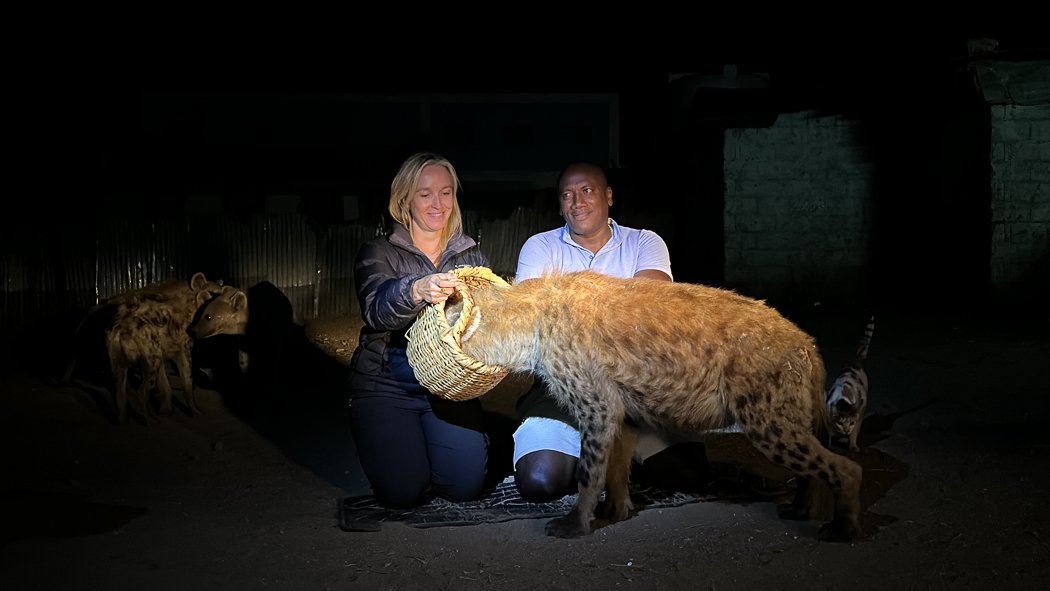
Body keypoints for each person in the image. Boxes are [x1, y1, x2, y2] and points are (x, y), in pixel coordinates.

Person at [512, 161, 710, 502]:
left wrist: (567, 313)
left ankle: (617, 446)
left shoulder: (644, 243)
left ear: (608, 196)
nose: (577, 202)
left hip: (637, 387)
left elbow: (653, 310)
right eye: (567, 195)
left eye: (587, 190)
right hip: (563, 388)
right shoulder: (539, 247)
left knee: (688, 474)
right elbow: (532, 323)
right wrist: (620, 310)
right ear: (560, 205)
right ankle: (586, 446)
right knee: (541, 481)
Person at [347, 152, 490, 509]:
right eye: (425, 194)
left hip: (449, 387)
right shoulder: (378, 252)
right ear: (404, 199)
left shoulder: (470, 256)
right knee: (402, 492)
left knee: (463, 486)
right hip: (387, 383)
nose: (437, 203)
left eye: (445, 193)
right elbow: (377, 311)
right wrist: (416, 289)